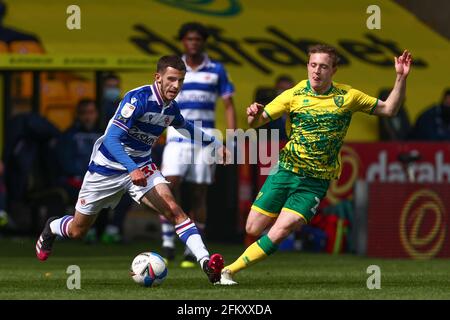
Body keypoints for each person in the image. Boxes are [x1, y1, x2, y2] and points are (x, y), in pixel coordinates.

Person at [218, 45, 413, 285]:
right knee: (252, 228)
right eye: (312, 65)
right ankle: (244, 254)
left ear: (334, 70)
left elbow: (390, 109)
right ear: (307, 66)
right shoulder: (295, 94)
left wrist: (400, 77)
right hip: (285, 170)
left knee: (282, 229)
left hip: (315, 181)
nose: (316, 71)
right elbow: (255, 121)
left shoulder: (348, 96)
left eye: (323, 66)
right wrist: (253, 113)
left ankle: (228, 271)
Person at [35, 55, 227, 284]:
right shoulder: (138, 99)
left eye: (180, 81)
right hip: (106, 169)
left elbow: (185, 128)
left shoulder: (170, 108)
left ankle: (206, 263)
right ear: (158, 77)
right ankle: (51, 227)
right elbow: (112, 139)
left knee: (174, 210)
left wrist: (216, 144)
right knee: (78, 231)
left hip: (142, 167)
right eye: (171, 79)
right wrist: (131, 168)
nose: (176, 86)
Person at [160, 22, 236, 267]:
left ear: (203, 42)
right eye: (189, 39)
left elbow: (228, 105)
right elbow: (160, 102)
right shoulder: (174, 69)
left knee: (199, 192)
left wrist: (231, 141)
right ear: (183, 41)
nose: (193, 43)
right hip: (177, 136)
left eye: (197, 39)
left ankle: (193, 248)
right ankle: (168, 242)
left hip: (205, 138)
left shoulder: (216, 69)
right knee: (169, 185)